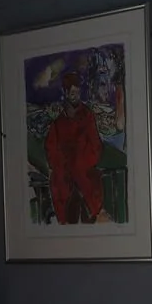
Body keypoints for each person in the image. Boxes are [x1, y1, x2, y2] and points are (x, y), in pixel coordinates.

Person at [44, 72, 111, 224]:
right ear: (66, 93)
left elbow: (96, 146)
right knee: (64, 199)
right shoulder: (58, 123)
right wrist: (63, 166)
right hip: (65, 177)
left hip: (85, 173)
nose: (75, 96)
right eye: (72, 93)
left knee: (87, 202)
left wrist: (80, 164)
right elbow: (51, 150)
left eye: (78, 92)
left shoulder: (87, 116)